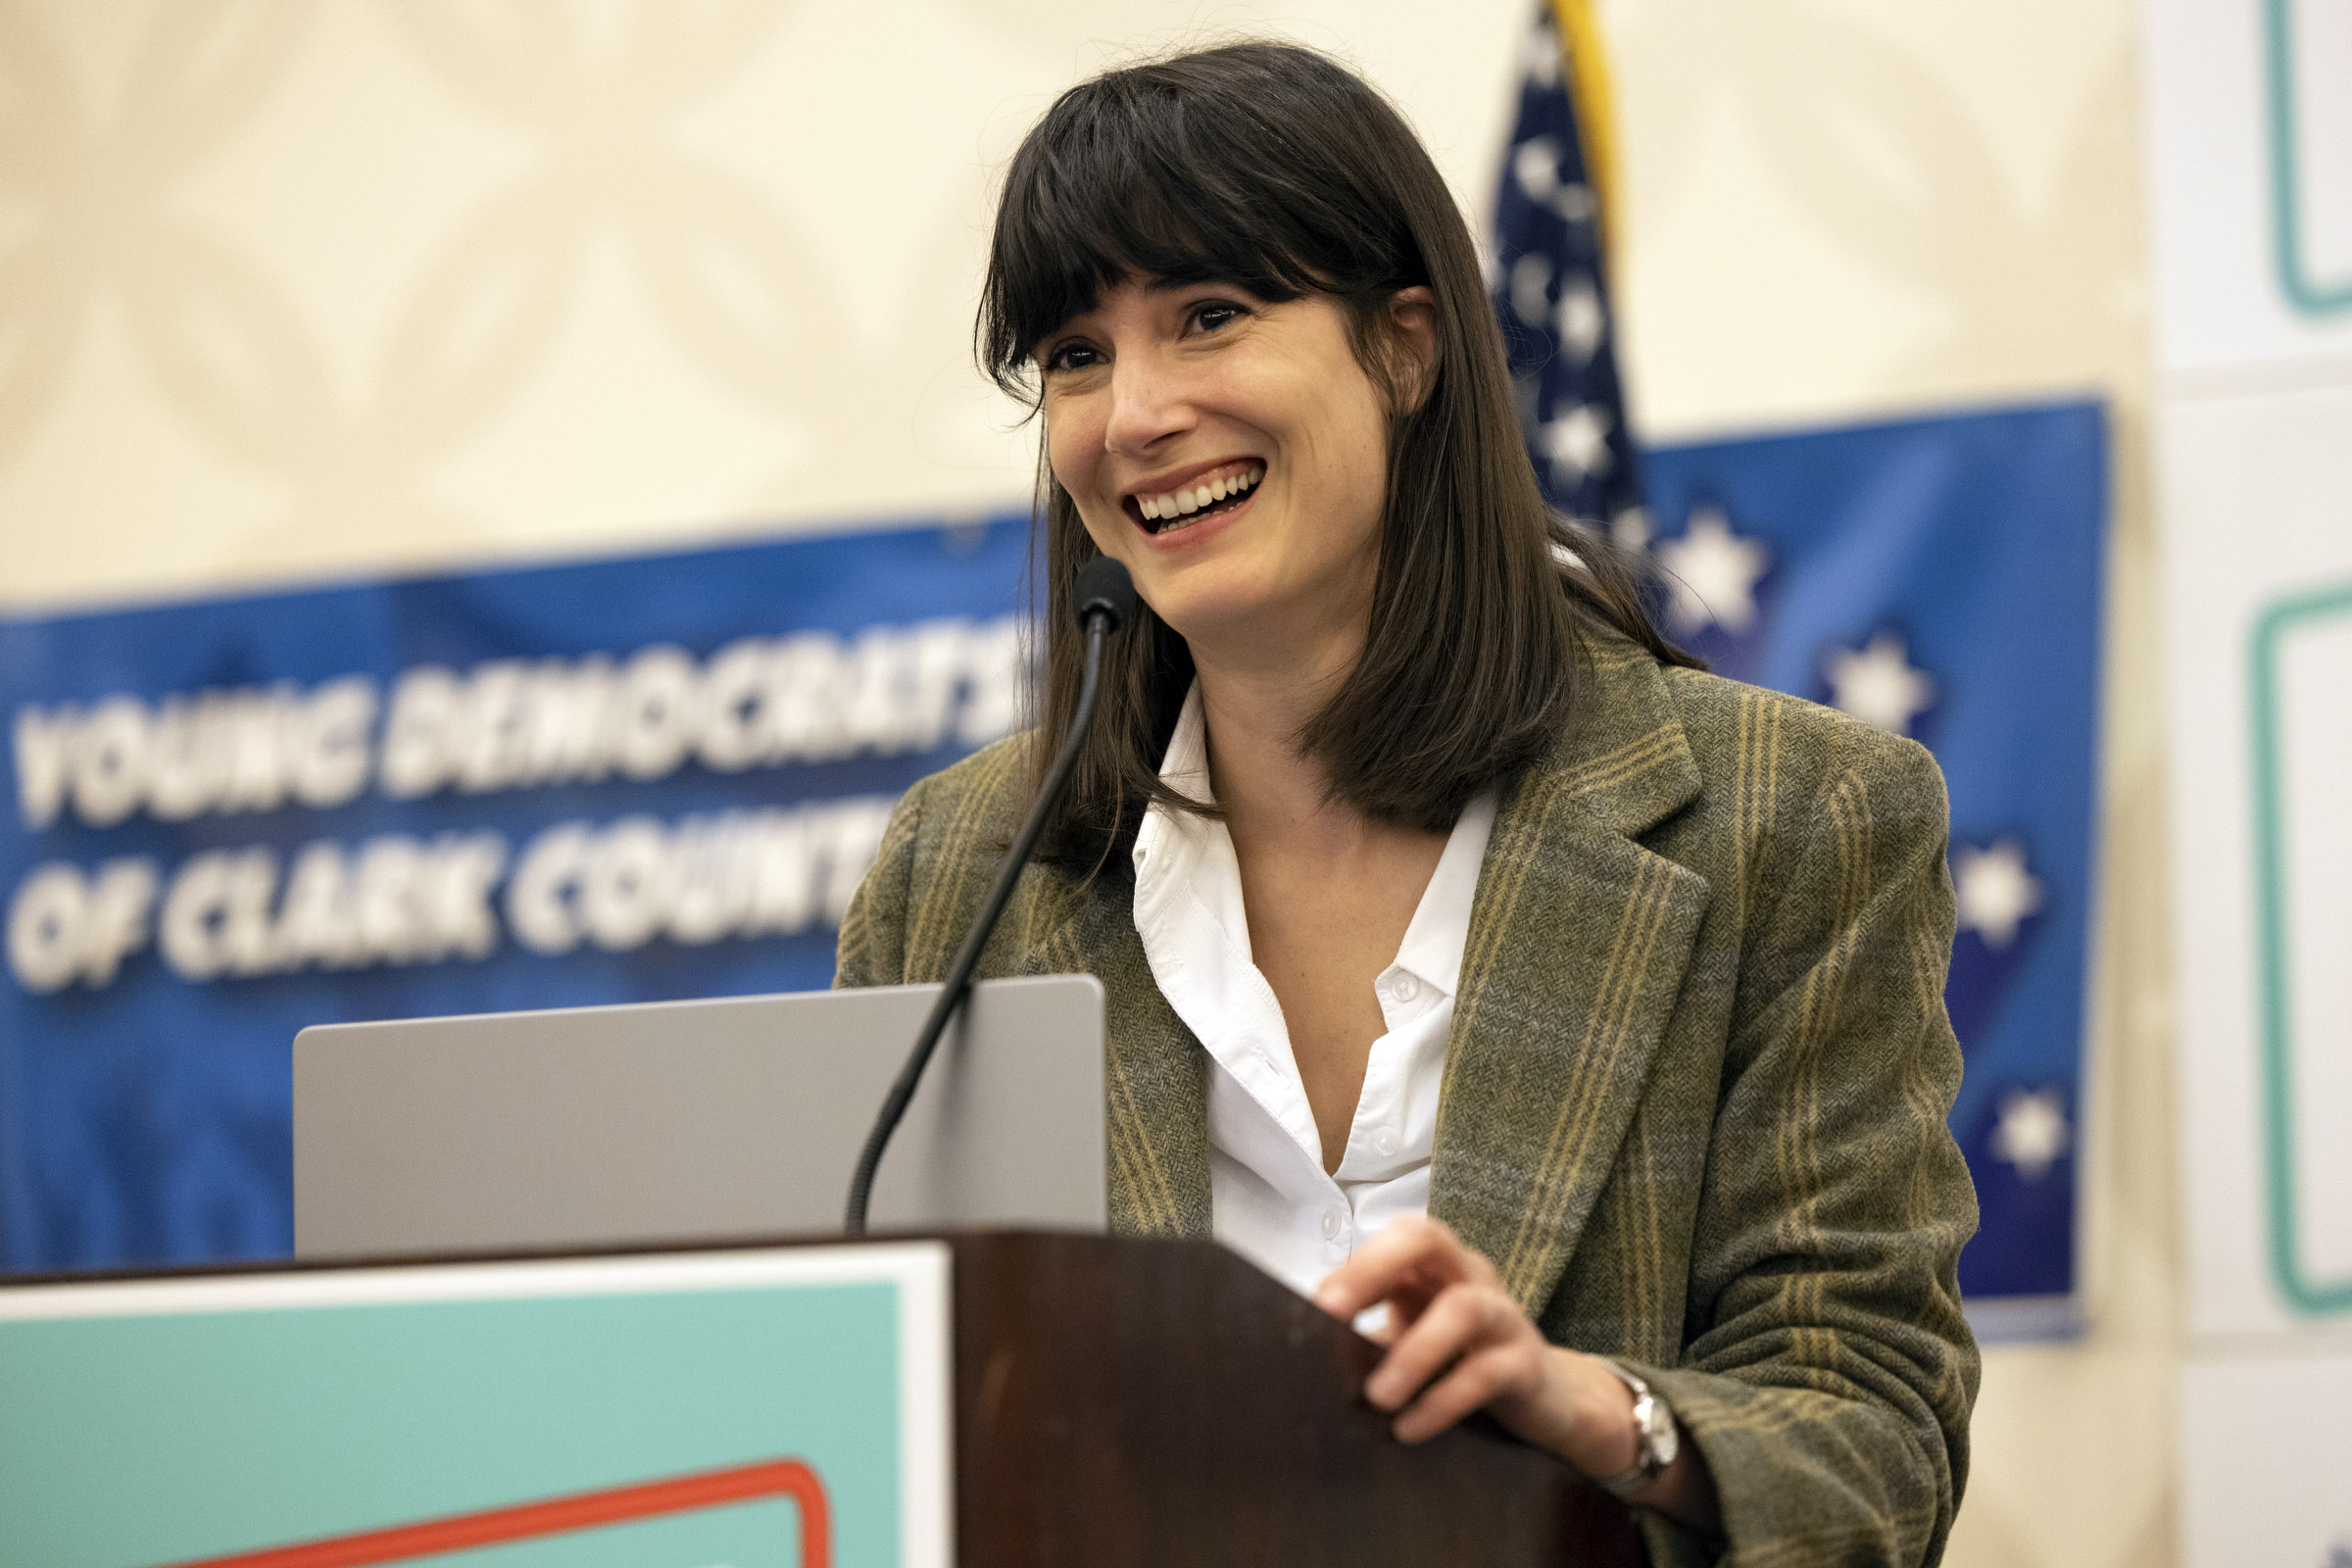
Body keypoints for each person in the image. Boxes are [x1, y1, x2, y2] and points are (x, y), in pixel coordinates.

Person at [835, 39, 1978, 1568]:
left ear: (1406, 350)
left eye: (1211, 317)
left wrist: (1593, 1413)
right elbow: (876, 1400)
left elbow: (1878, 1438)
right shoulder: (959, 871)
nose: (1135, 415)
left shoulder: (1800, 816)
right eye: (1076, 356)